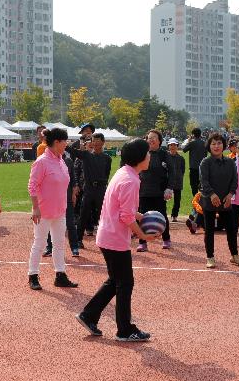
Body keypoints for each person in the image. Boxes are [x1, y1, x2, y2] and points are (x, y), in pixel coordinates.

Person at [76, 138, 158, 342]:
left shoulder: (124, 173)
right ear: (140, 158)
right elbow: (126, 217)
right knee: (125, 283)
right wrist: (143, 236)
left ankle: (89, 315)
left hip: (107, 235)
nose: (149, 156)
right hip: (114, 238)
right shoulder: (131, 180)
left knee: (116, 281)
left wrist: (141, 216)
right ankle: (124, 329)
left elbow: (124, 209)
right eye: (147, 153)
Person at [26, 127, 78, 290]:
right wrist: (35, 208)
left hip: (60, 211)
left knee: (59, 244)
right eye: (65, 141)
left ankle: (60, 275)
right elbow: (32, 186)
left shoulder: (61, 160)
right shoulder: (41, 162)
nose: (67, 144)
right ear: (57, 142)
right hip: (43, 211)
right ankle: (33, 275)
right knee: (39, 244)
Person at [199, 133, 239, 268]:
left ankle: (235, 255)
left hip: (226, 201)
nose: (216, 146)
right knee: (209, 230)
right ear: (209, 146)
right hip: (209, 201)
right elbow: (204, 181)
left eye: (219, 143)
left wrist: (230, 194)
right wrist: (212, 195)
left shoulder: (230, 162)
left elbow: (235, 180)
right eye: (213, 143)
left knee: (231, 228)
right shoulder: (205, 162)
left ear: (224, 145)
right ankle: (210, 257)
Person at [69, 132, 112, 242]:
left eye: (98, 140)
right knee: (83, 214)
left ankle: (106, 239)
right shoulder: (86, 155)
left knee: (102, 214)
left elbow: (106, 174)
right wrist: (63, 142)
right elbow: (72, 151)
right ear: (91, 142)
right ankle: (78, 240)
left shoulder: (107, 158)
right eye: (94, 140)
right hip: (88, 189)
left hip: (101, 189)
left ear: (103, 142)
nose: (96, 142)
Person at [137, 130, 174, 252]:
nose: (151, 140)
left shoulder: (164, 154)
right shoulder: (142, 153)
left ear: (159, 141)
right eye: (149, 138)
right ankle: (142, 242)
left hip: (159, 191)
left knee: (162, 216)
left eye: (154, 138)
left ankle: (166, 239)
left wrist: (169, 188)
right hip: (144, 191)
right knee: (142, 217)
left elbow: (172, 173)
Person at [44, 145, 81, 258]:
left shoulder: (68, 161)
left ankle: (74, 247)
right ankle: (49, 247)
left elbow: (73, 179)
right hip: (53, 199)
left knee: (70, 223)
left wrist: (74, 194)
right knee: (51, 223)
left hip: (66, 198)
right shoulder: (47, 161)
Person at [182, 128, 206, 196]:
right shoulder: (204, 143)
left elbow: (184, 150)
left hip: (193, 167)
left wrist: (188, 140)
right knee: (202, 185)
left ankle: (196, 201)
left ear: (193, 135)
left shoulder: (192, 143)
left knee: (193, 185)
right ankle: (202, 201)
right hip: (203, 167)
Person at [166, 138, 185, 222]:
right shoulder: (165, 157)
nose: (173, 147)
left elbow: (183, 170)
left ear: (177, 146)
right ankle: (163, 214)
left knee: (177, 200)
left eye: (174, 145)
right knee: (163, 200)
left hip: (178, 182)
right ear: (168, 146)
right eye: (171, 145)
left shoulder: (181, 159)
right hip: (167, 182)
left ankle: (174, 215)